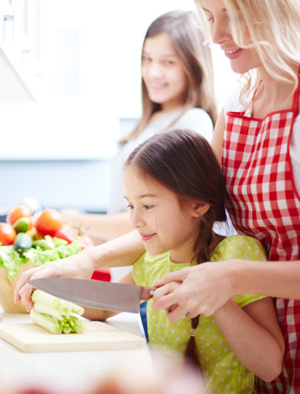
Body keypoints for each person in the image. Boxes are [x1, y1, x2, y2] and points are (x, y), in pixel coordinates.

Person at [16, 0, 300, 392]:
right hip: (256, 371)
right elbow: (183, 214)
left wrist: (230, 277)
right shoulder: (242, 102)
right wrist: (86, 260)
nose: (215, 36)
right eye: (210, 17)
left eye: (231, 16)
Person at [80, 129, 283, 393]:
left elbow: (270, 366)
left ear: (198, 205)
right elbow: (105, 308)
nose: (134, 220)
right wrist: (44, 293)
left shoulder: (237, 254)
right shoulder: (154, 261)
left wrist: (215, 298)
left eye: (148, 206)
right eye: (131, 206)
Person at [59, 10, 217, 245]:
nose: (153, 73)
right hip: (129, 268)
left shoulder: (192, 122)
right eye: (147, 59)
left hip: (156, 273)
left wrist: (77, 220)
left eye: (168, 62)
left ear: (193, 66)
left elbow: (157, 218)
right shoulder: (149, 123)